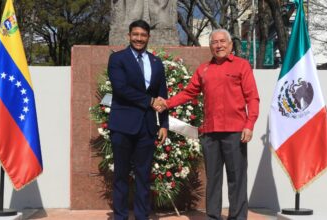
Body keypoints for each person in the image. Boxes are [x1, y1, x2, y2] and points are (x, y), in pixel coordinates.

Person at [156, 29, 260, 220]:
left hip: (235, 131)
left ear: (230, 45)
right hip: (210, 133)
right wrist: (167, 103)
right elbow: (189, 93)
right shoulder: (203, 69)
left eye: (222, 42)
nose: (218, 45)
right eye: (214, 42)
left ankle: (237, 217)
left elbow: (252, 97)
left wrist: (249, 124)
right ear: (210, 46)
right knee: (213, 179)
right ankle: (213, 216)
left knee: (236, 179)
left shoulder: (242, 66)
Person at [107, 19, 169, 220]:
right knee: (121, 176)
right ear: (129, 35)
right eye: (136, 35)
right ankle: (120, 216)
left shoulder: (156, 62)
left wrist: (164, 124)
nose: (139, 39)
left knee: (144, 177)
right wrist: (150, 101)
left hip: (147, 127)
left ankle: (142, 216)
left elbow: (162, 95)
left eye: (143, 35)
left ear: (148, 37)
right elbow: (121, 89)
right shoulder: (118, 59)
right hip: (123, 126)